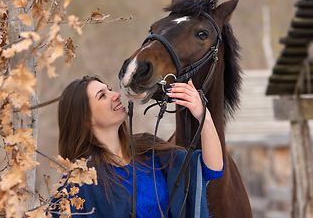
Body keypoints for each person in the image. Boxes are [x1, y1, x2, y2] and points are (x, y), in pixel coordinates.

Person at [49, 75, 224, 218]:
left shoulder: (148, 149)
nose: (115, 94)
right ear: (86, 120)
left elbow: (211, 169)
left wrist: (203, 116)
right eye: (102, 95)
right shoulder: (81, 179)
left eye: (109, 89)